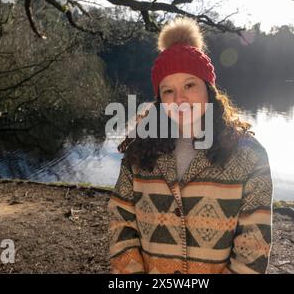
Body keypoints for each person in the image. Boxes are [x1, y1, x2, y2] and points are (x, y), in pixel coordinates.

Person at [107, 17, 273, 274]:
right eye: (168, 91)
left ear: (209, 90)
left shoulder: (249, 155)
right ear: (160, 99)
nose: (180, 99)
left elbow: (254, 244)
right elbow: (121, 224)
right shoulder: (138, 154)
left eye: (189, 85)